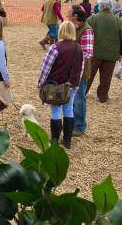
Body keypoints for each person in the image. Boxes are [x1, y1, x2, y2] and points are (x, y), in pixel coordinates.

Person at [38, 21, 84, 149]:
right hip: (72, 85)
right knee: (69, 109)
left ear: (61, 31)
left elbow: (46, 67)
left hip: (56, 84)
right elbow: (81, 68)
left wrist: (41, 82)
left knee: (56, 110)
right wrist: (76, 84)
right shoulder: (79, 48)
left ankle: (54, 140)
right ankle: (67, 140)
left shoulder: (55, 47)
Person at [86, 0, 122, 103]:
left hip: (94, 52)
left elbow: (85, 33)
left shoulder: (93, 18)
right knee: (106, 77)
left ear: (100, 6)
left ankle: (82, 93)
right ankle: (102, 96)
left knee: (88, 75)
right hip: (111, 53)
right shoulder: (117, 20)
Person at [67, 5, 94, 136]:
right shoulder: (72, 28)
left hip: (80, 71)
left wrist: (69, 56)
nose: (66, 15)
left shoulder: (86, 30)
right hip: (70, 70)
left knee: (79, 98)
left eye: (69, 13)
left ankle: (79, 126)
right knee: (70, 98)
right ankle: (70, 123)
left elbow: (87, 53)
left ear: (75, 16)